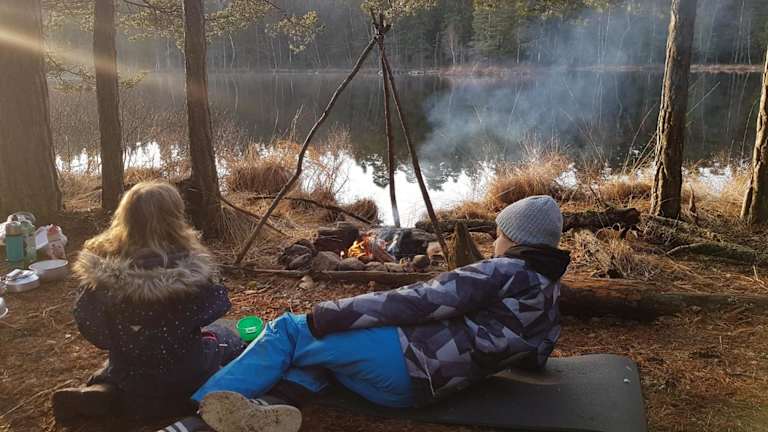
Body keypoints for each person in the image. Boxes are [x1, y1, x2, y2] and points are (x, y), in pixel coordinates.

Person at [163, 195, 570, 432]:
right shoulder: (549, 292)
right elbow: (535, 357)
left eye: (499, 234)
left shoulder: (502, 270)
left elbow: (418, 299)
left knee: (290, 330)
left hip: (407, 363)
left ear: (513, 238)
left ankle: (197, 416)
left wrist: (331, 313)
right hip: (420, 392)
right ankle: (269, 406)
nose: (495, 242)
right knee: (325, 354)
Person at [52, 182, 244, 425]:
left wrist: (131, 335)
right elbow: (219, 305)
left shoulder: (101, 275)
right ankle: (185, 401)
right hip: (184, 372)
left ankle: (107, 390)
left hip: (127, 372)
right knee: (227, 337)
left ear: (124, 218)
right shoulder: (193, 270)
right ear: (176, 218)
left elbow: (92, 328)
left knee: (123, 363)